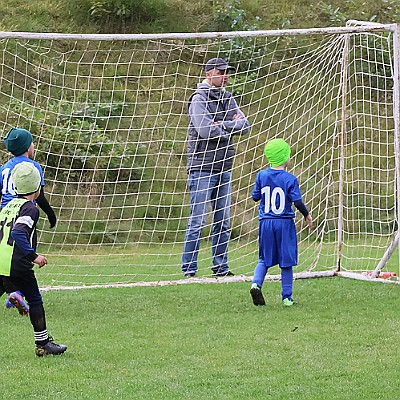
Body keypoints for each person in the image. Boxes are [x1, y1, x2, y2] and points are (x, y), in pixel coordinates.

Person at [182, 57, 251, 277]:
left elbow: (245, 125)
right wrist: (230, 127)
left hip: (224, 166)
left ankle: (220, 268)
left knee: (223, 222)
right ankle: (189, 270)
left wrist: (220, 125)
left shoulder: (228, 98)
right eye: (221, 72)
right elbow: (204, 130)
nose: (225, 76)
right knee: (198, 221)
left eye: (227, 72)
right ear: (209, 73)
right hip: (202, 166)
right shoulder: (198, 99)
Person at [0, 161, 67, 356]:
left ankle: (14, 293)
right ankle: (43, 343)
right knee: (36, 301)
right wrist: (34, 256)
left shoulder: (8, 206)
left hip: (1, 262)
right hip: (18, 264)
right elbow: (19, 232)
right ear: (38, 187)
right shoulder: (30, 208)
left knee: (11, 288)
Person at [250, 138, 313, 306]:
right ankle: (286, 298)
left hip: (266, 223)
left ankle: (256, 284)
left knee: (264, 258)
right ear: (285, 157)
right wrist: (306, 215)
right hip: (284, 223)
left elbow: (255, 196)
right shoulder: (290, 179)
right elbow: (297, 202)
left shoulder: (261, 175)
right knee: (286, 261)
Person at [0, 127, 57, 314]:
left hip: (4, 216)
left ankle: (13, 292)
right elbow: (38, 196)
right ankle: (17, 292)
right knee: (24, 254)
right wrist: (49, 213)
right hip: (24, 211)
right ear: (27, 147)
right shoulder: (33, 167)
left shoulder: (3, 169)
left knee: (6, 258)